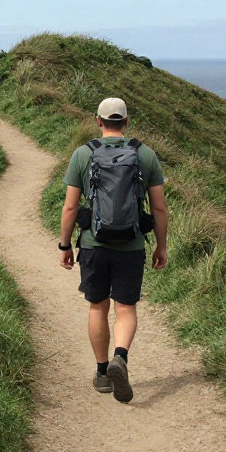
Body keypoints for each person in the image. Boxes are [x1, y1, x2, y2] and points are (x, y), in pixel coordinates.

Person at [58, 97, 167, 403]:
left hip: (94, 243)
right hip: (130, 245)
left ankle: (103, 372)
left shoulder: (83, 154)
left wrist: (65, 245)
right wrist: (161, 246)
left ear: (99, 121)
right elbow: (158, 208)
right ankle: (121, 356)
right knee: (126, 308)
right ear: (127, 122)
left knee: (97, 307)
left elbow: (70, 207)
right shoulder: (144, 155)